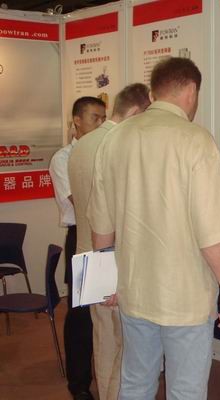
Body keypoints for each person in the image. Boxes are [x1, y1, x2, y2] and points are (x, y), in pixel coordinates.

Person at [86, 57, 220, 400]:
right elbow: (212, 229)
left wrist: (106, 279)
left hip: (135, 289)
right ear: (191, 91)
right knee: (185, 389)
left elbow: (102, 222)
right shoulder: (195, 140)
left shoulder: (115, 139)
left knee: (136, 382)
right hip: (185, 297)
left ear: (155, 91)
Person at [68, 83, 150, 400]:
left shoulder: (82, 145)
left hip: (87, 257)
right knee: (125, 344)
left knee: (103, 341)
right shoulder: (120, 145)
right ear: (137, 111)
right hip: (113, 260)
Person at [49, 96, 106, 400]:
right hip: (82, 236)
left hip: (109, 234)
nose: (101, 124)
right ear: (77, 121)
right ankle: (79, 383)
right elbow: (80, 200)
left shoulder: (105, 151)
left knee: (109, 309)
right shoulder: (64, 158)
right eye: (95, 118)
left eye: (104, 118)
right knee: (82, 313)